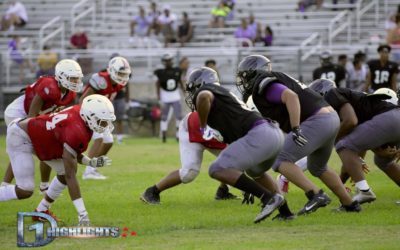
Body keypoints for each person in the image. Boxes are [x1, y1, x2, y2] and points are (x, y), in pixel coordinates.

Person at [236, 55, 360, 214]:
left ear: (255, 73)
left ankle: (315, 194)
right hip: (330, 118)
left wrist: (296, 127)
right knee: (318, 167)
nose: (243, 82)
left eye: (245, 77)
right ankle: (349, 204)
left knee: (281, 159)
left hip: (316, 120)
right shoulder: (273, 81)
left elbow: (291, 97)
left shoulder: (265, 84)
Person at [184, 67, 294, 223]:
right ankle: (286, 212)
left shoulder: (207, 91)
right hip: (273, 134)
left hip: (259, 133)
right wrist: (246, 185)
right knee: (256, 173)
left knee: (216, 169)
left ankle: (267, 198)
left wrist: (202, 125)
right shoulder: (224, 100)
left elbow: (203, 97)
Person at [0, 94, 115, 227]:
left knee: (62, 174)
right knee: (25, 190)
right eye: (103, 121)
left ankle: (41, 211)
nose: (106, 125)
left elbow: (73, 153)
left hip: (39, 138)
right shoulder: (76, 130)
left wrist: (91, 163)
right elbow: (70, 174)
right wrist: (83, 214)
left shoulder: (81, 116)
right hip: (21, 136)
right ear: (90, 117)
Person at [310, 79, 400, 204]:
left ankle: (364, 191)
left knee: (344, 145)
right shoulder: (351, 102)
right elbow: (364, 135)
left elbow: (351, 121)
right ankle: (360, 191)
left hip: (388, 118)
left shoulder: (332, 94)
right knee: (382, 160)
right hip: (392, 119)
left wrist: (330, 139)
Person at [2, 59, 83, 194]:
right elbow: (31, 116)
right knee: (27, 147)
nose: (75, 82)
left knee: (34, 147)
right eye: (72, 78)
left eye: (77, 79)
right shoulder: (49, 86)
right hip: (18, 112)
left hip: (33, 116)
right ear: (61, 76)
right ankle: (7, 187)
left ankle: (39, 186)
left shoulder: (69, 93)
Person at [141, 111, 239, 204]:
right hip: (192, 130)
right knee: (189, 173)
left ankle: (223, 191)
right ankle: (152, 192)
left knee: (238, 161)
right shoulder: (235, 116)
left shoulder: (242, 116)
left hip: (212, 136)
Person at [80, 56, 132, 180]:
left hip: (101, 115)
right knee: (99, 139)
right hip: (90, 113)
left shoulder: (118, 84)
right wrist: (86, 114)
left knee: (108, 142)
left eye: (124, 74)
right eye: (120, 73)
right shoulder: (100, 80)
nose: (122, 76)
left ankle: (92, 168)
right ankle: (88, 172)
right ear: (112, 70)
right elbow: (83, 99)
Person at [154, 53, 184, 143]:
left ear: (172, 61)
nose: (168, 62)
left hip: (175, 95)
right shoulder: (160, 72)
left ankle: (178, 135)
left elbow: (180, 81)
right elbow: (158, 84)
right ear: (163, 62)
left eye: (169, 60)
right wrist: (159, 96)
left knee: (178, 116)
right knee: (164, 117)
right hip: (165, 96)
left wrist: (184, 91)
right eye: (166, 61)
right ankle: (163, 135)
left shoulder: (177, 70)